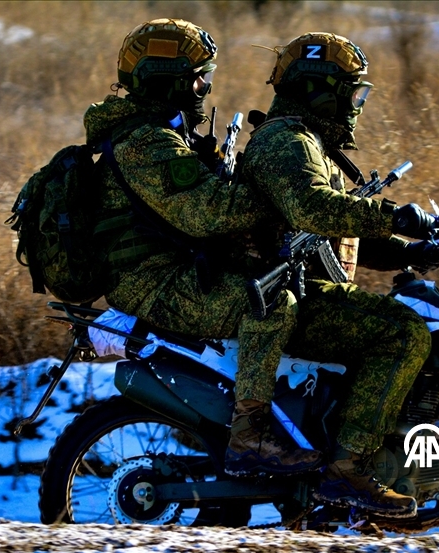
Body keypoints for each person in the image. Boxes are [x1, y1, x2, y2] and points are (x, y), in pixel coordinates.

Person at [88, 18, 321, 476]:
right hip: (153, 284)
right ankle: (251, 434)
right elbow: (208, 213)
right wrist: (280, 198)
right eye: (199, 77)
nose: (204, 87)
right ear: (167, 78)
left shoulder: (162, 131)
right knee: (270, 302)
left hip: (167, 271)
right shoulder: (146, 141)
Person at [241, 32, 439, 519]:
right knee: (403, 333)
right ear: (320, 89)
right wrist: (393, 215)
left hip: (308, 289)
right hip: (292, 296)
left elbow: (343, 231)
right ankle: (348, 468)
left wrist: (416, 251)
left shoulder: (310, 143)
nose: (358, 104)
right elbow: (314, 208)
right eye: (353, 92)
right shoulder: (284, 141)